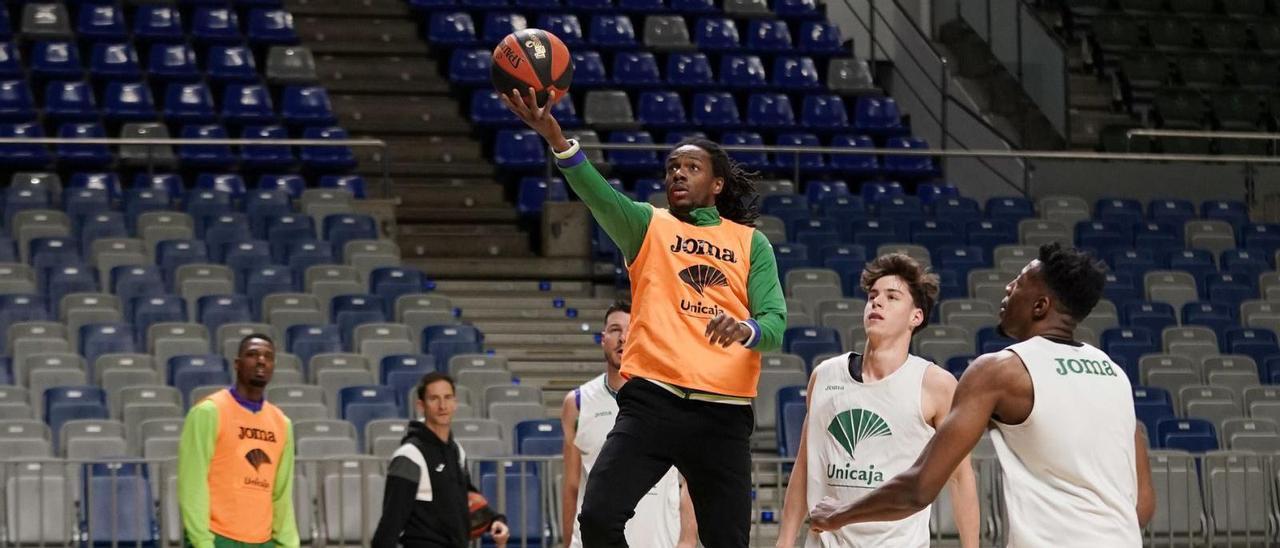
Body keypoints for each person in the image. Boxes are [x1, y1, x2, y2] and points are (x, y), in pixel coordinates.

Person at [501, 88, 786, 547]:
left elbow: (775, 323)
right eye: (672, 166)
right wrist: (555, 137)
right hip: (653, 401)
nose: (678, 173)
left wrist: (746, 327)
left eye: (692, 167)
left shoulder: (751, 244)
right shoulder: (647, 225)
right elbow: (595, 192)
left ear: (717, 184)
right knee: (596, 519)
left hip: (724, 412)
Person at [809, 243, 1156, 547]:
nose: (1007, 288)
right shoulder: (1114, 373)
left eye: (1018, 284)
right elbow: (1143, 504)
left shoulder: (1002, 370)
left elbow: (919, 488)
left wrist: (840, 513)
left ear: (1040, 306)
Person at [777, 253, 980, 547]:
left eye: (892, 296)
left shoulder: (936, 384)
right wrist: (784, 540)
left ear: (916, 316)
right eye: (872, 295)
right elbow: (804, 466)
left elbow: (961, 478)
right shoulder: (825, 375)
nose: (877, 302)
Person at [561, 301, 698, 548]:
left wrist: (687, 539)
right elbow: (571, 484)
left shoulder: (672, 396)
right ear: (603, 338)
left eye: (631, 329)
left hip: (659, 540)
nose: (623, 338)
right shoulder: (577, 403)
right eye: (614, 329)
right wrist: (567, 542)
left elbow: (691, 478)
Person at [178, 334, 299, 548]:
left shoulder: (282, 423)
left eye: (268, 356)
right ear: (237, 364)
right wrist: (202, 542)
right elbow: (192, 484)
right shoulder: (209, 412)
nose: (261, 360)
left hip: (263, 541)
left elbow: (281, 493)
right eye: (252, 354)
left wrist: (288, 543)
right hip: (217, 538)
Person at [371, 372, 510, 548]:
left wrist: (494, 521)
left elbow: (466, 496)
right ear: (421, 405)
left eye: (448, 397)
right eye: (434, 399)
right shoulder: (410, 456)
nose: (442, 405)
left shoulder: (457, 450)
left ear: (455, 403)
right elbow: (390, 525)